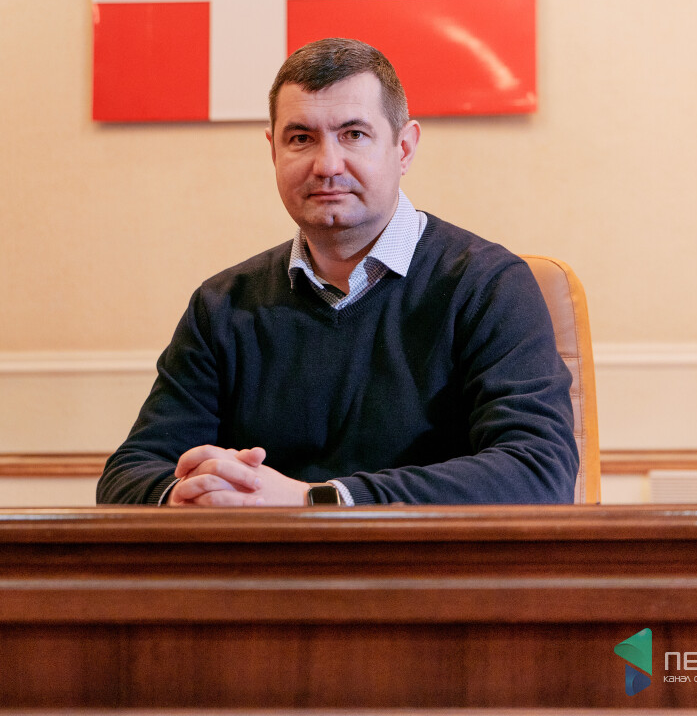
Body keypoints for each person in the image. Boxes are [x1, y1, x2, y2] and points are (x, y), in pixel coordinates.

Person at [97, 38, 578, 506]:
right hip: (265, 563)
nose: (327, 165)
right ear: (273, 152)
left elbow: (538, 470)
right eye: (301, 139)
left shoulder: (490, 286)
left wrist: (317, 500)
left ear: (404, 148)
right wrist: (188, 495)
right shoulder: (222, 306)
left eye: (354, 135)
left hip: (424, 562)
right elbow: (129, 474)